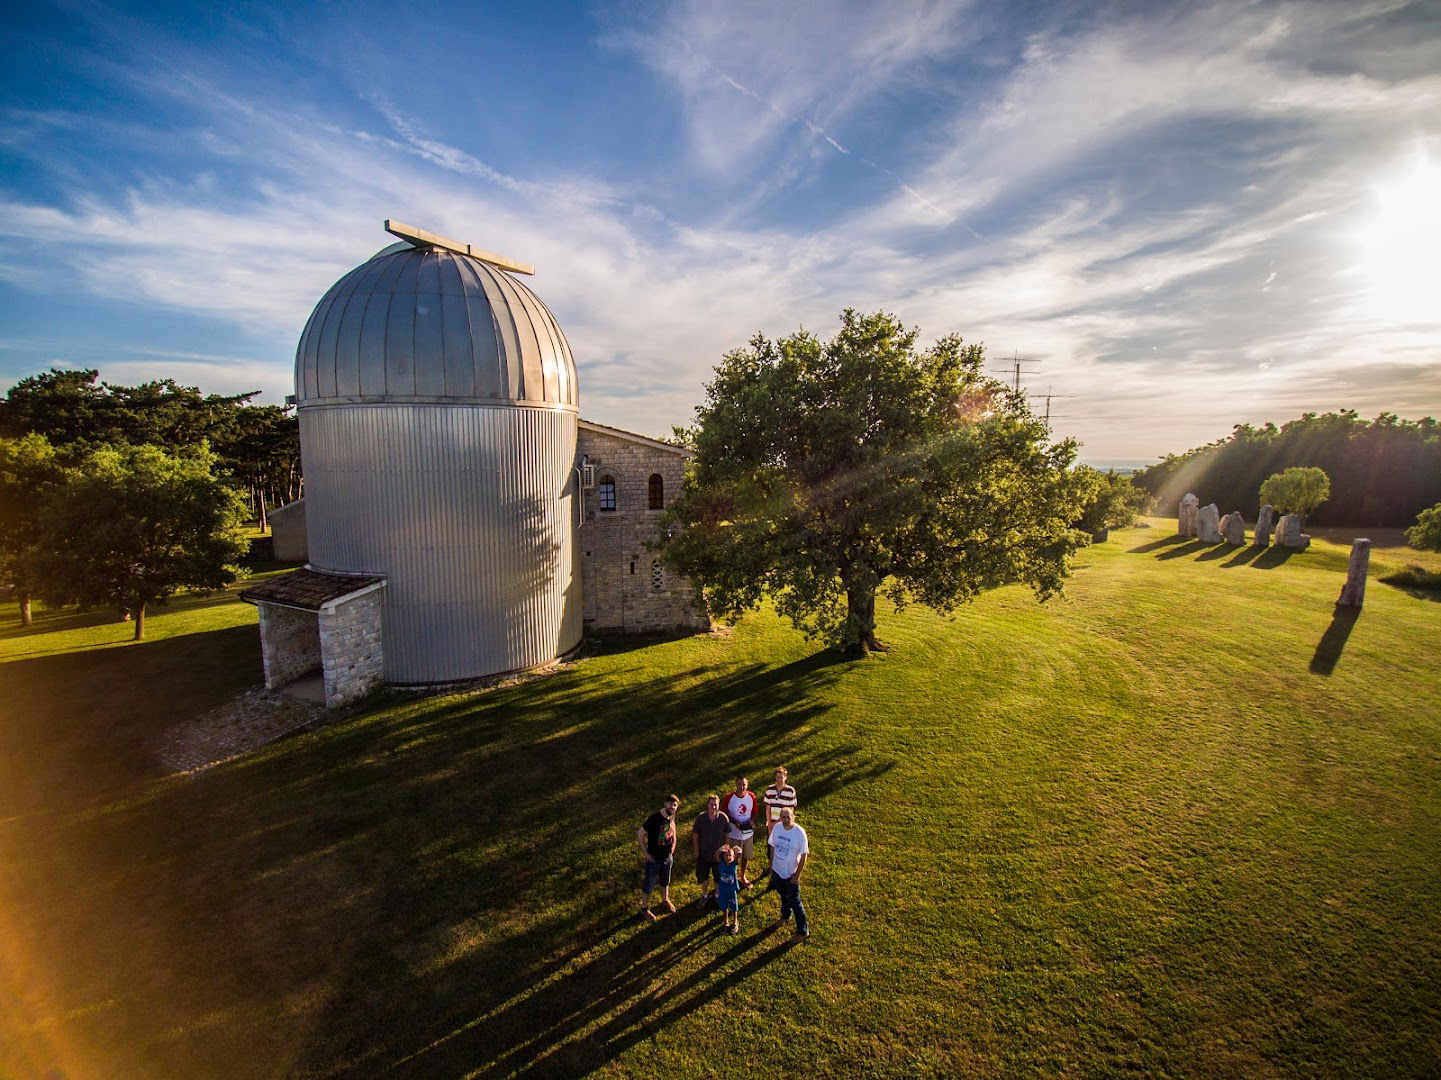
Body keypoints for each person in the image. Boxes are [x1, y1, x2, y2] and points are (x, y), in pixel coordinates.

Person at [768, 805, 810, 943]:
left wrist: (796, 876)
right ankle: (786, 915)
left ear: (793, 817)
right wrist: (772, 865)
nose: (786, 819)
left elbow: (804, 856)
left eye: (788, 817)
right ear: (780, 817)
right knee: (782, 895)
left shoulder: (799, 833)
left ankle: (803, 931)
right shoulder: (777, 828)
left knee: (795, 902)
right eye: (783, 817)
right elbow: (773, 846)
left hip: (791, 874)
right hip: (778, 871)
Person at [637, 794, 680, 920]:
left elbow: (673, 828)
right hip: (654, 859)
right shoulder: (654, 819)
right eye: (670, 804)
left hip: (667, 858)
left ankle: (665, 900)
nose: (672, 807)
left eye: (675, 805)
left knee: (665, 881)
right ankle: (644, 909)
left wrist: (674, 844)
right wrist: (645, 853)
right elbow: (640, 834)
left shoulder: (671, 816)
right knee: (649, 885)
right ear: (665, 804)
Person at [691, 794, 732, 907]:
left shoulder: (723, 818)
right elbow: (695, 836)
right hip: (703, 854)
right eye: (711, 805)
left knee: (718, 877)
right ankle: (704, 895)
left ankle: (717, 895)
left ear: (718, 805)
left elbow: (727, 834)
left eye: (715, 805)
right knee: (704, 877)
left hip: (718, 855)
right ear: (707, 805)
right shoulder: (701, 818)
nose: (713, 807)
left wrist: (726, 850)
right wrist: (696, 851)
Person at [722, 775, 760, 887]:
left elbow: (755, 811)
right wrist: (734, 822)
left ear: (747, 785)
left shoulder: (751, 796)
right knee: (731, 857)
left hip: (748, 834)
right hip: (733, 834)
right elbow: (723, 814)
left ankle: (742, 876)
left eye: (744, 785)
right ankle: (730, 878)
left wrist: (752, 821)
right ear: (735, 784)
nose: (741, 787)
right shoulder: (729, 798)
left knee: (745, 856)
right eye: (739, 784)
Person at [762, 766, 797, 849]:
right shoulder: (770, 789)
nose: (779, 780)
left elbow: (790, 811)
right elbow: (768, 808)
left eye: (781, 777)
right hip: (771, 824)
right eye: (778, 777)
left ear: (785, 778)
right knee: (771, 849)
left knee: (782, 848)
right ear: (775, 777)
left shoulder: (790, 791)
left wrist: (776, 823)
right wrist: (769, 823)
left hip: (785, 824)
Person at [715, 844, 741, 934]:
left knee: (734, 906)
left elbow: (739, 857)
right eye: (726, 855)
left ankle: (735, 922)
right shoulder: (721, 863)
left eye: (730, 855)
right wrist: (720, 849)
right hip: (722, 889)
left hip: (731, 890)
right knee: (724, 906)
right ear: (722, 856)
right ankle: (726, 922)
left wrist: (739, 851)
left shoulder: (734, 864)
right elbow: (715, 856)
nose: (728, 857)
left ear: (733, 856)